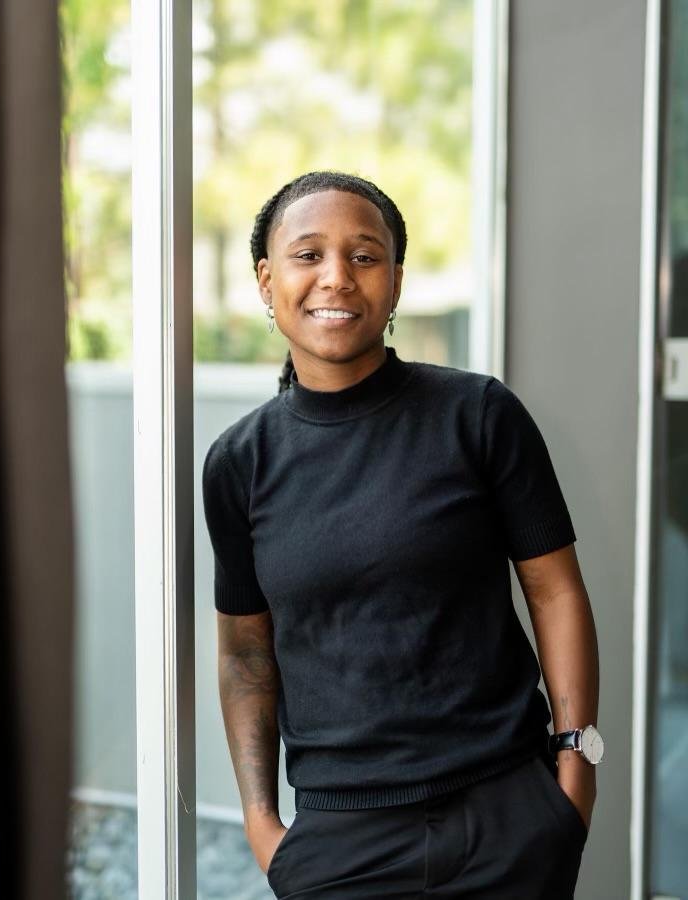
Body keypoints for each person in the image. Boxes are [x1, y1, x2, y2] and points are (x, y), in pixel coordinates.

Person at [201, 170, 601, 899]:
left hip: (507, 814)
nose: (337, 278)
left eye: (363, 255)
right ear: (266, 280)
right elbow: (246, 653)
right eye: (308, 254)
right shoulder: (239, 463)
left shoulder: (478, 414)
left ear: (395, 280)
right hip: (339, 843)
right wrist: (264, 826)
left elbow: (555, 591)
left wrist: (574, 767)